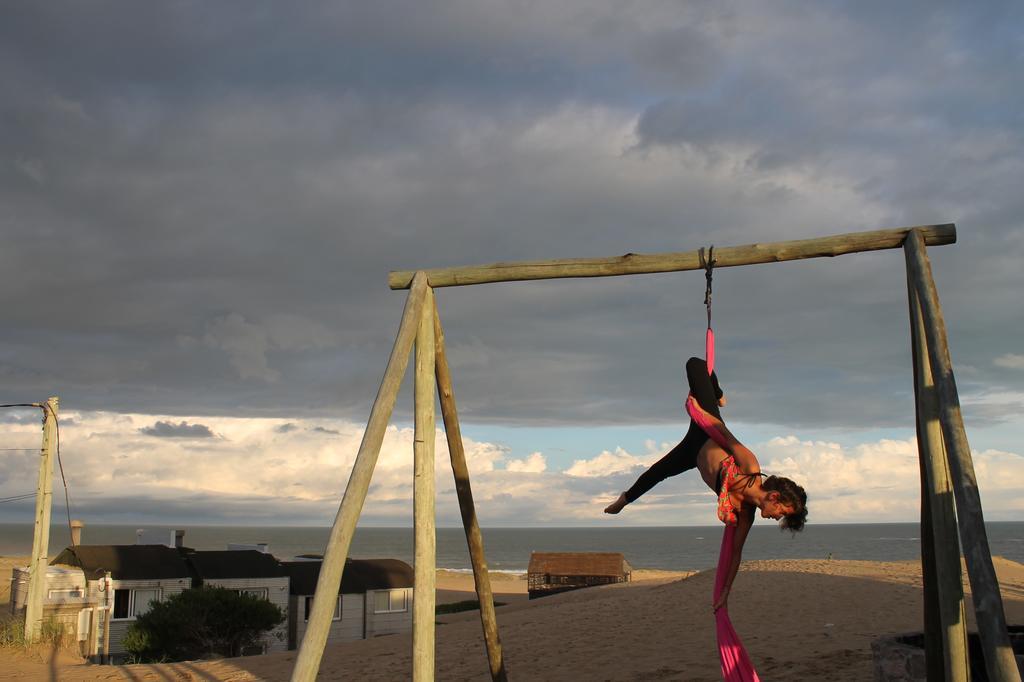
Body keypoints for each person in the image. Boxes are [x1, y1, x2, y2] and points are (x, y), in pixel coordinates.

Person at [604, 356, 807, 611]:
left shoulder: (746, 514)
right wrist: (699, 413)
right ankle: (718, 392)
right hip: (704, 432)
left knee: (657, 472)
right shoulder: (750, 467)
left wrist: (725, 594)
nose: (776, 517)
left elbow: (734, 555)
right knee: (695, 364)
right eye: (781, 513)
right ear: (775, 497)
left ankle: (625, 499)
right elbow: (723, 432)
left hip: (692, 456)